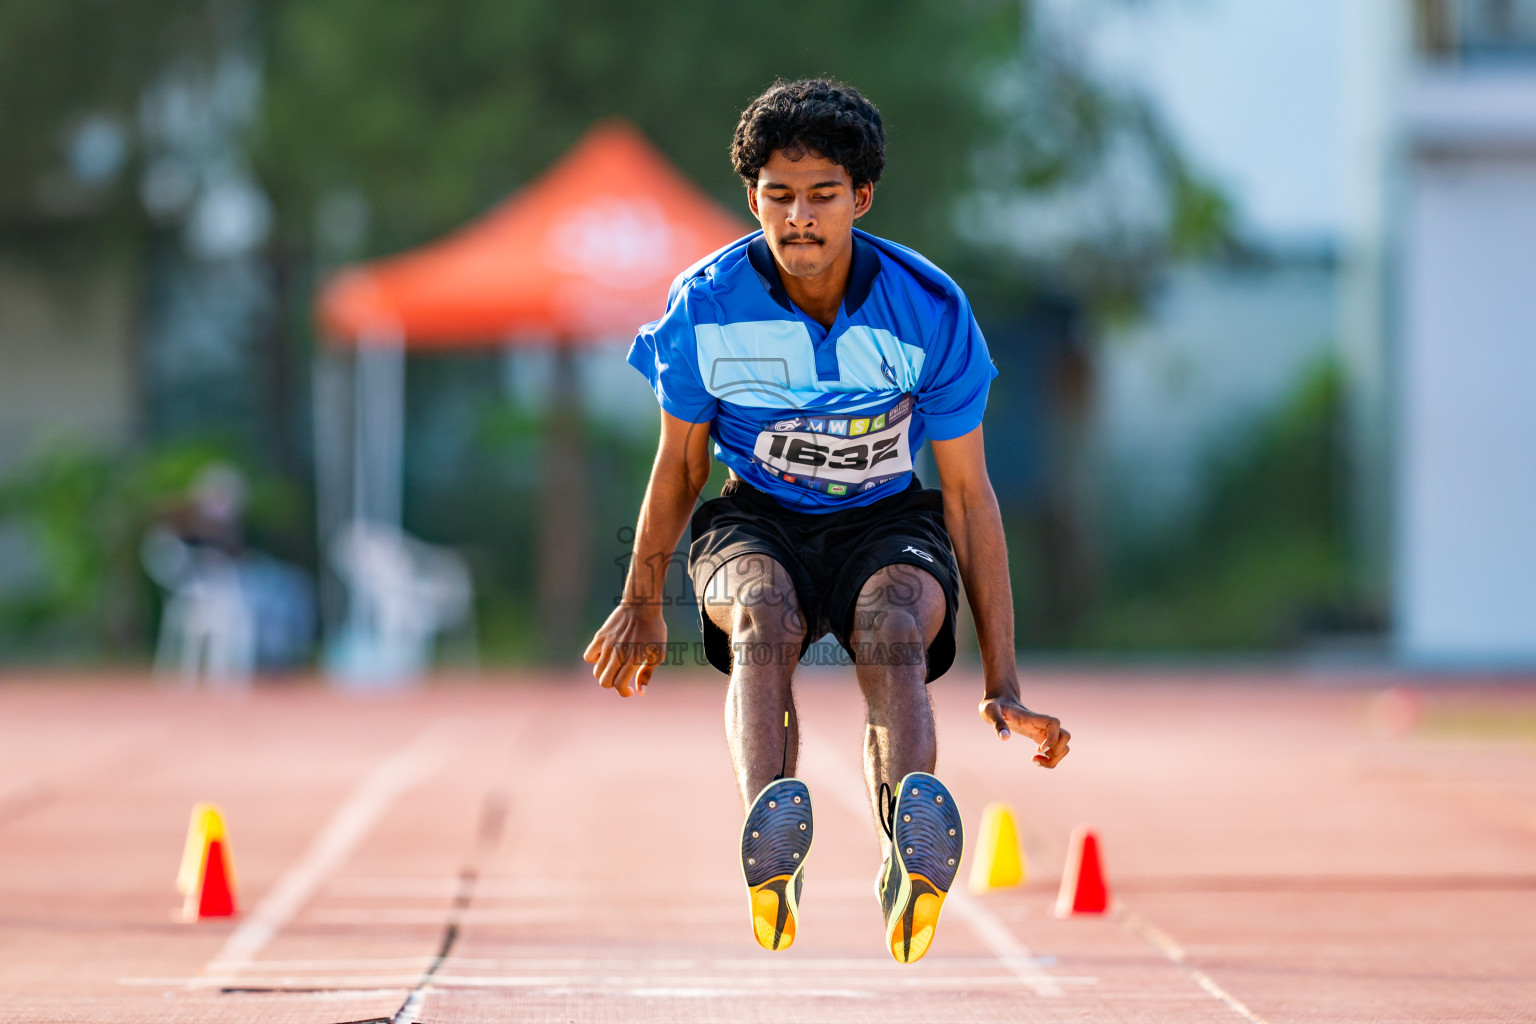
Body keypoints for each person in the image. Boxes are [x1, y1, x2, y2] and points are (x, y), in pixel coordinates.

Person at [583, 78, 1070, 964]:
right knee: (764, 618)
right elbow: (682, 464)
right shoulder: (707, 303)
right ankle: (771, 849)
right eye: (778, 195)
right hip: (756, 518)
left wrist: (1004, 679)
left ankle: (905, 849)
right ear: (752, 197)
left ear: (862, 198)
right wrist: (641, 598)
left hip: (887, 518)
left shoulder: (928, 311)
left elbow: (966, 496)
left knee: (892, 628)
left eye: (821, 196)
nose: (797, 218)